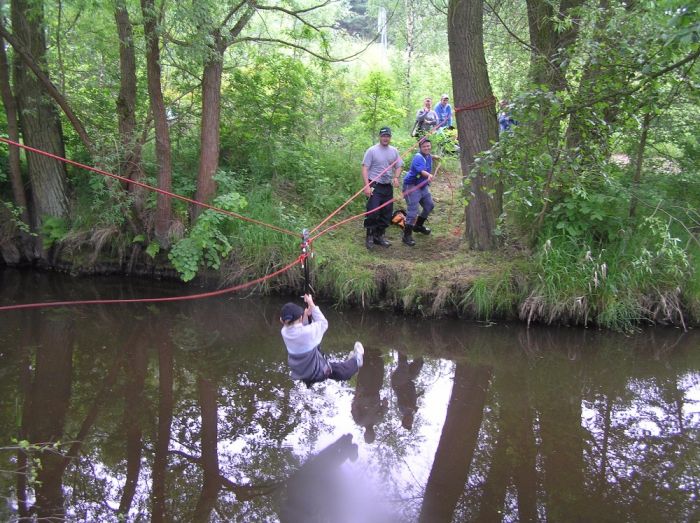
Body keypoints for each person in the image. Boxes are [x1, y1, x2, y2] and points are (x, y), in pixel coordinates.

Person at [280, 294, 364, 387]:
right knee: (342, 373)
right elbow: (323, 323)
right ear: (300, 318)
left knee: (326, 360)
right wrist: (312, 305)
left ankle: (351, 362)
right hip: (316, 373)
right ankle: (357, 360)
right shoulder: (306, 333)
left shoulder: (284, 332)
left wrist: (306, 316)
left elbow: (300, 330)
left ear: (282, 320)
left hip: (302, 372)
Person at [361, 127, 403, 250]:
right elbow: (364, 168)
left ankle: (379, 236)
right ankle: (369, 236)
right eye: (383, 136)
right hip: (374, 184)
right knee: (373, 211)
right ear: (380, 137)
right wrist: (367, 186)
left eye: (388, 136)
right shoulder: (372, 151)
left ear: (390, 137)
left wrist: (396, 177)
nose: (385, 138)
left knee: (387, 213)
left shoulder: (394, 151)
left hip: (387, 186)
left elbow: (399, 166)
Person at [401, 138, 435, 247]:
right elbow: (421, 171)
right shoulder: (417, 157)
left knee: (429, 205)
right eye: (424, 146)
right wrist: (429, 175)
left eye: (428, 146)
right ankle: (406, 236)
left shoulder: (428, 156)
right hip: (411, 186)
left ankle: (418, 226)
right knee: (413, 211)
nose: (427, 148)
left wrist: (434, 157)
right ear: (420, 148)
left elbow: (428, 157)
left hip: (422, 186)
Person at [390, 352, 424, 430]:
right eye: (411, 421)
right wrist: (419, 394)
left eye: (408, 421)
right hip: (407, 380)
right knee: (418, 364)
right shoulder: (411, 410)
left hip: (399, 382)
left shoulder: (403, 409)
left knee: (403, 364)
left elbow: (405, 403)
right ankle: (418, 348)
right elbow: (411, 398)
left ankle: (401, 344)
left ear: (404, 419)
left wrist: (413, 407)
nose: (411, 420)